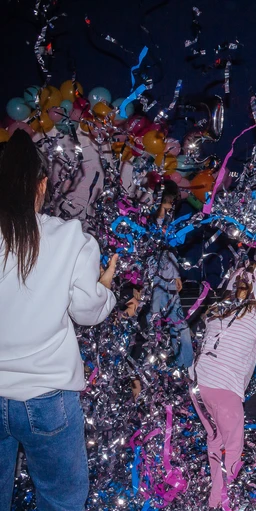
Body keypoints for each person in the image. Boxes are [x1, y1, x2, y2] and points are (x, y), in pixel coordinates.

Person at [0, 130, 117, 510]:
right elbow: (87, 311)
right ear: (41, 184)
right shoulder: (69, 237)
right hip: (48, 397)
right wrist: (105, 289)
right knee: (61, 501)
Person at [190, 260, 256, 509]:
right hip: (225, 389)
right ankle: (224, 503)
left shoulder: (219, 309)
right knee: (233, 451)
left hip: (199, 386)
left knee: (216, 440)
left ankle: (214, 500)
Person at [149, 180, 194, 368]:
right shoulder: (150, 222)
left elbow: (170, 251)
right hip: (154, 281)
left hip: (166, 279)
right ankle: (159, 364)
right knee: (154, 322)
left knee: (178, 323)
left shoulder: (167, 222)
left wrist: (176, 275)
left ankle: (185, 363)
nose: (170, 207)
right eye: (169, 202)